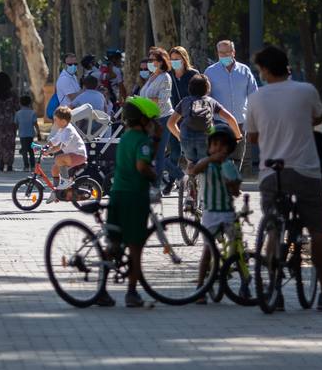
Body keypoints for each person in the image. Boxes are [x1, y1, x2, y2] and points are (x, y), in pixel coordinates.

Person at [245, 44, 322, 312]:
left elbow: (252, 138)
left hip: (270, 174)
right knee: (318, 233)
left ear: (264, 70)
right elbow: (318, 116)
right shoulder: (306, 90)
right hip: (306, 171)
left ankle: (274, 288)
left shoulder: (256, 98)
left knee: (273, 228)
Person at [96, 96, 162, 308]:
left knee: (114, 244)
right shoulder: (143, 141)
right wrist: (154, 176)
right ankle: (132, 293)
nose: (154, 125)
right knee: (135, 246)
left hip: (117, 194)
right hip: (135, 197)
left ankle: (101, 290)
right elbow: (142, 167)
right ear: (143, 121)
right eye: (151, 120)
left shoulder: (125, 138)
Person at [188, 124, 242, 298]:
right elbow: (194, 170)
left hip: (227, 212)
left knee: (237, 246)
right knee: (207, 249)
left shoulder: (229, 166)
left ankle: (244, 279)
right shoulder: (206, 165)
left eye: (223, 145)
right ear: (209, 147)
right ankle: (200, 285)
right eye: (214, 144)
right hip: (210, 213)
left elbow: (235, 190)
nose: (218, 148)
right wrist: (210, 159)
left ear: (229, 149)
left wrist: (232, 185)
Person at [168, 72, 241, 179]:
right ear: (208, 89)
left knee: (191, 161)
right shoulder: (211, 102)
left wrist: (180, 136)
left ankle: (190, 181)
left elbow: (170, 123)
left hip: (186, 138)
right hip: (206, 139)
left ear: (190, 88)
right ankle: (205, 184)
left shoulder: (184, 102)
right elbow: (230, 118)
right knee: (207, 162)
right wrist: (238, 135)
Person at [205, 40, 260, 167]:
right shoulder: (210, 72)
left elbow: (253, 94)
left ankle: (233, 184)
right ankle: (222, 184)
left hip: (240, 121)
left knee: (237, 156)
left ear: (233, 52)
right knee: (219, 155)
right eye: (221, 53)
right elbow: (206, 97)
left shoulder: (244, 70)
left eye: (227, 52)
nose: (224, 55)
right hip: (219, 121)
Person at [138, 48, 175, 191]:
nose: (150, 62)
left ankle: (156, 186)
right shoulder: (152, 76)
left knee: (158, 154)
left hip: (163, 119)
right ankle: (178, 174)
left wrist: (142, 100)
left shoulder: (165, 77)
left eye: (152, 60)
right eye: (149, 60)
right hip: (151, 120)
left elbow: (162, 100)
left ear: (161, 62)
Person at [41, 106, 86, 200]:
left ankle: (65, 182)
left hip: (79, 155)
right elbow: (54, 140)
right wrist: (45, 147)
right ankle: (57, 193)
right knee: (54, 169)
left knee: (58, 158)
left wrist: (50, 151)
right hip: (71, 156)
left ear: (63, 121)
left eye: (56, 119)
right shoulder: (62, 129)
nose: (54, 121)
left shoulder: (69, 130)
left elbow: (61, 146)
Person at [0, 73, 20, 172]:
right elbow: (17, 107)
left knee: (0, 142)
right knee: (10, 142)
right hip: (10, 120)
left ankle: (1, 163)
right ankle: (9, 164)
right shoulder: (13, 93)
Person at [15, 94, 39, 171]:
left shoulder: (18, 113)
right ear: (29, 103)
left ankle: (26, 166)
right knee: (31, 151)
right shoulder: (32, 112)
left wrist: (15, 133)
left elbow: (16, 124)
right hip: (30, 134)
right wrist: (38, 133)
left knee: (24, 151)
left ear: (20, 103)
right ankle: (32, 166)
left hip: (22, 134)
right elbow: (35, 124)